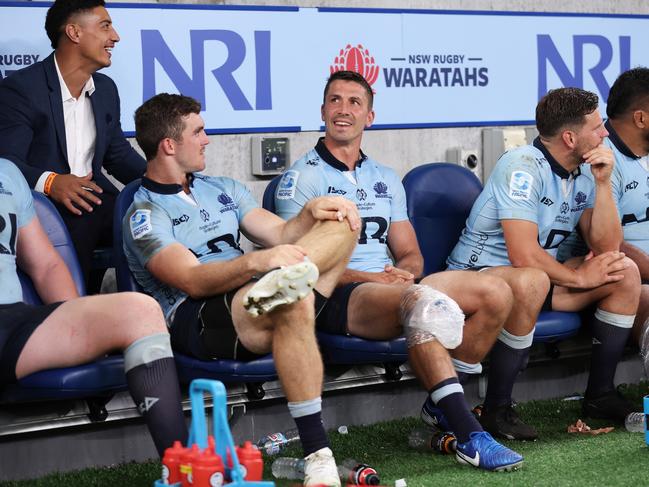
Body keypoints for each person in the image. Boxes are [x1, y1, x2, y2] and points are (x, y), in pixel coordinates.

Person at [275, 70, 528, 471]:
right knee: (421, 302)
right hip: (337, 294)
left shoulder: (385, 178)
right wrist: (378, 279)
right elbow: (300, 267)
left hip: (391, 287)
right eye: (335, 101)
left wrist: (404, 273)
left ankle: (440, 405)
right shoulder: (301, 179)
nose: (344, 110)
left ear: (370, 116)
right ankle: (469, 437)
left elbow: (410, 253)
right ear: (322, 111)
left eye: (354, 102)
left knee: (495, 293)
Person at [122, 93, 361, 486]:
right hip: (195, 315)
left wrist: (312, 210)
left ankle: (282, 289)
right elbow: (192, 281)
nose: (207, 139)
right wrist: (257, 262)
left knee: (341, 220)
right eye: (198, 131)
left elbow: (280, 232)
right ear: (169, 144)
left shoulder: (224, 188)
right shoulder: (145, 213)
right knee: (293, 302)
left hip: (252, 297)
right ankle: (318, 454)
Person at [447, 87, 642, 422]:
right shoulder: (521, 165)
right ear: (569, 137)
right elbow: (522, 254)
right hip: (477, 276)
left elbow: (608, 246)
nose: (605, 133)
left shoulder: (584, 170)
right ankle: (497, 407)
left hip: (536, 280)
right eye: (597, 128)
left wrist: (604, 184)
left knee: (622, 270)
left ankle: (600, 395)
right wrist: (579, 277)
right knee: (532, 278)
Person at [0, 157, 186, 457]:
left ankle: (182, 467)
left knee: (141, 310)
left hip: (14, 320)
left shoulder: (7, 172)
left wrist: (81, 326)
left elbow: (46, 266)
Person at [0, 0, 146, 289]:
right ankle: (72, 315)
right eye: (105, 26)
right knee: (78, 220)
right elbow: (7, 162)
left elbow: (117, 156)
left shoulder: (106, 89)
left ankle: (159, 312)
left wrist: (168, 180)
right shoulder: (21, 89)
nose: (115, 36)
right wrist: (52, 182)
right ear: (74, 32)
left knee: (148, 217)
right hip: (45, 205)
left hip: (97, 200)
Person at [560, 68, 649, 374]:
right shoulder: (598, 159)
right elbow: (608, 246)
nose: (603, 133)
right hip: (614, 278)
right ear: (641, 118)